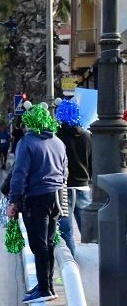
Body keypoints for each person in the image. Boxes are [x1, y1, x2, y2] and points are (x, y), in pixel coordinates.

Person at [6, 104, 68, 303]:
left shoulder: (27, 142)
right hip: (56, 195)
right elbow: (65, 171)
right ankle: (46, 284)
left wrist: (13, 201)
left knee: (38, 243)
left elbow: (19, 174)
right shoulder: (58, 141)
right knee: (48, 242)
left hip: (36, 197)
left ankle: (44, 289)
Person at [55, 100, 91, 257]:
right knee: (88, 230)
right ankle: (91, 261)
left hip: (63, 188)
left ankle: (72, 264)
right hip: (83, 186)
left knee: (66, 230)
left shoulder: (56, 137)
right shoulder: (87, 137)